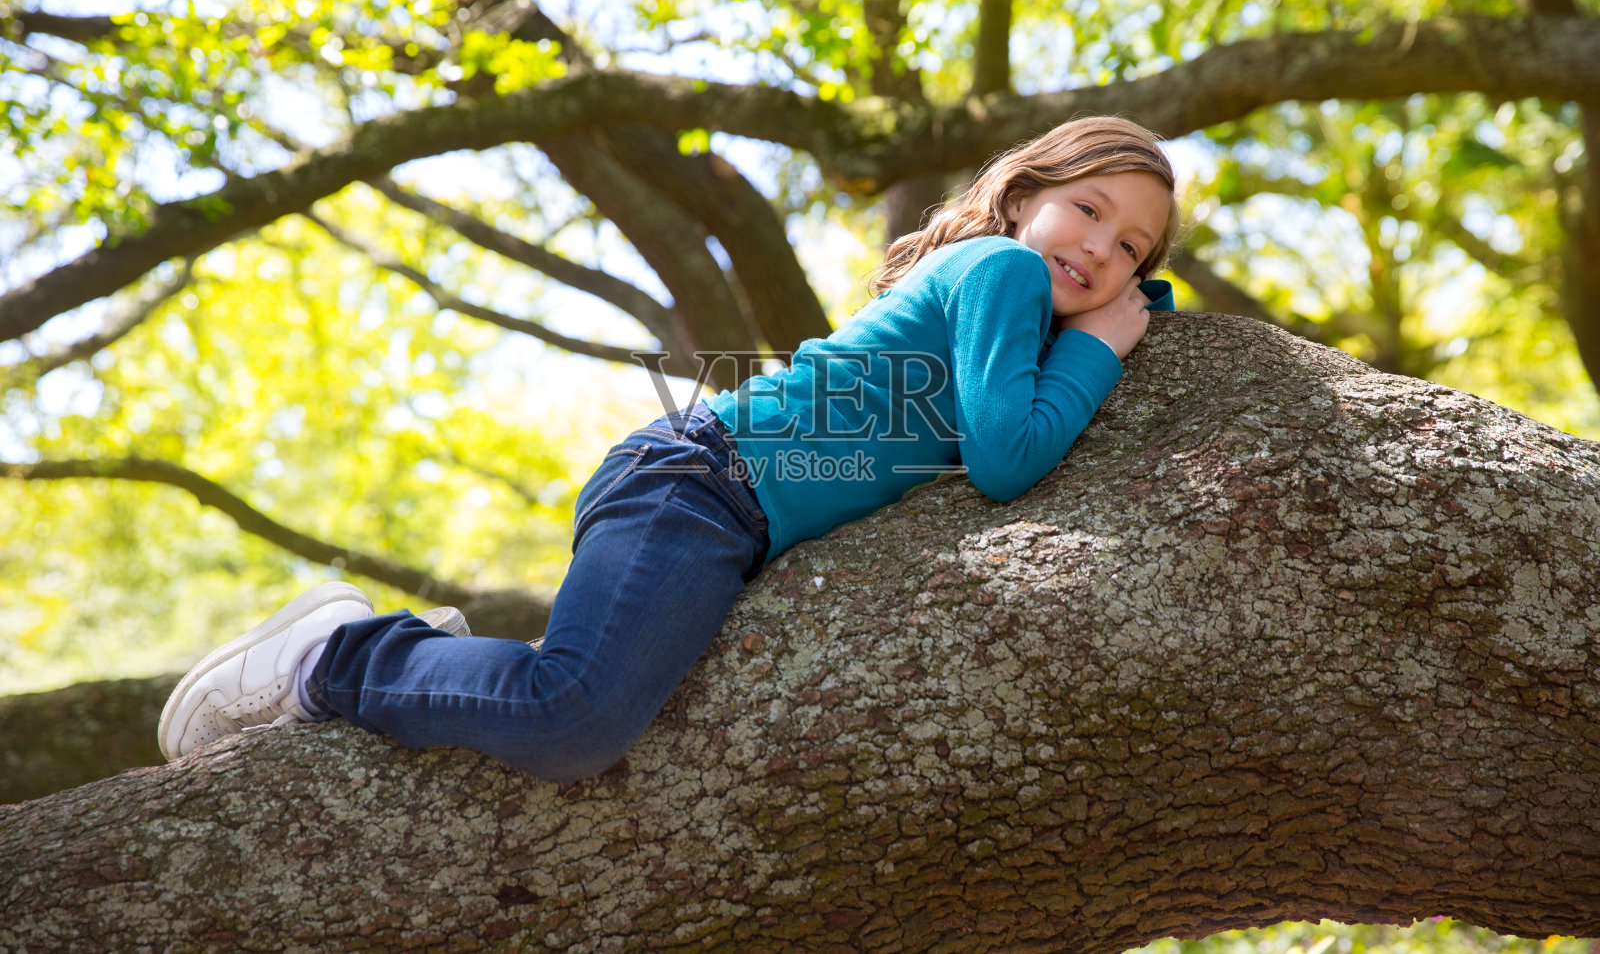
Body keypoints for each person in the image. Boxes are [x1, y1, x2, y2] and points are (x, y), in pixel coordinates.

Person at [157, 115, 1181, 782]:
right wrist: (1098, 344)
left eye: (1130, 247)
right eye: (1088, 209)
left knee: (589, 719)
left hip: (723, 512)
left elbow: (1032, 401)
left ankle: (403, 651)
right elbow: (1008, 460)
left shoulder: (1007, 309)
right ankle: (334, 653)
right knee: (574, 713)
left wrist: (1133, 317)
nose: (1100, 247)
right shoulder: (998, 270)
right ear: (1021, 196)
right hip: (698, 483)